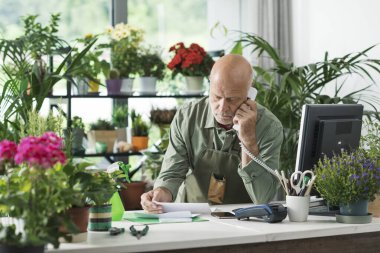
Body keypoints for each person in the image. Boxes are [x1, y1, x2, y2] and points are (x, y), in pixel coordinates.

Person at [141, 54, 283, 213]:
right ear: (209, 84)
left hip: (245, 220)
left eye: (232, 99)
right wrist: (160, 194)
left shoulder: (270, 127)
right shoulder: (187, 117)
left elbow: (263, 198)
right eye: (216, 97)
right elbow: (172, 173)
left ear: (249, 93)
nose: (222, 108)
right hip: (192, 216)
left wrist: (249, 140)